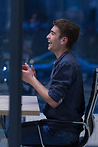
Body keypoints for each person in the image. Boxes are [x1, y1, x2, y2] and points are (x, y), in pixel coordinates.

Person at [21, 18, 85, 146]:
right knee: (12, 131)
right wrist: (33, 78)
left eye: (52, 33)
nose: (47, 36)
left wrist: (32, 80)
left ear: (63, 40)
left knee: (10, 134)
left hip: (60, 132)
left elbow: (53, 100)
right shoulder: (65, 60)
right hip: (61, 128)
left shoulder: (66, 63)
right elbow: (55, 94)